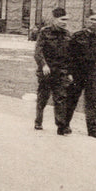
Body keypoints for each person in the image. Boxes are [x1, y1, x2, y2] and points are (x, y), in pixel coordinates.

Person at [65, 10, 96, 138]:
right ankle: (65, 124)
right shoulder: (77, 36)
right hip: (77, 71)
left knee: (92, 101)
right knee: (72, 99)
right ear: (86, 21)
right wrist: (69, 73)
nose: (95, 22)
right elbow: (68, 55)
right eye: (92, 19)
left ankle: (93, 130)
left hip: (91, 71)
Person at [33, 7, 73, 135]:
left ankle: (61, 127)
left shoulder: (67, 34)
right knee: (43, 97)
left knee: (60, 98)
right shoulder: (45, 32)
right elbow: (38, 52)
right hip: (47, 71)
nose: (65, 22)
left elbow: (70, 56)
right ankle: (38, 121)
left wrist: (70, 72)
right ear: (55, 19)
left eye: (66, 20)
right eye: (62, 19)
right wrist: (43, 65)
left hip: (61, 71)